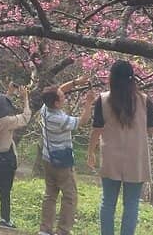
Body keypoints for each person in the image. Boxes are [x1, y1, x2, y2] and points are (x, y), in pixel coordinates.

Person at [87, 60, 153, 235]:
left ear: (111, 78)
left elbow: (97, 130)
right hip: (136, 158)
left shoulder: (103, 100)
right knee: (132, 203)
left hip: (111, 157)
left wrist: (90, 152)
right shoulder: (144, 101)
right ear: (132, 79)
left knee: (108, 202)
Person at [37, 76, 95, 235]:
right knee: (70, 196)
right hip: (62, 162)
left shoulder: (44, 109)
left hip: (47, 158)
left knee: (50, 194)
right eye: (61, 98)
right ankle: (63, 231)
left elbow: (61, 89)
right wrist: (89, 103)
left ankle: (45, 229)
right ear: (56, 103)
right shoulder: (59, 119)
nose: (64, 96)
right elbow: (82, 121)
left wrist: (76, 82)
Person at [0, 83, 33, 230]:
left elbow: (0, 106)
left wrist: (9, 93)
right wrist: (25, 98)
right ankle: (5, 219)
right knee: (5, 190)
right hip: (6, 159)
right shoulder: (7, 121)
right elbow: (25, 117)